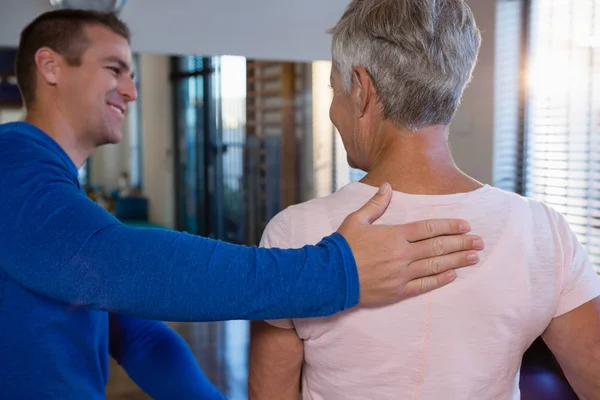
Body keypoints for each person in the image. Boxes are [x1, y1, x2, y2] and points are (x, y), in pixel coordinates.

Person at [0, 9, 485, 400]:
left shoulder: (54, 195)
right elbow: (109, 264)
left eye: (131, 73)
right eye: (114, 69)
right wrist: (336, 271)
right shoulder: (11, 163)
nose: (131, 89)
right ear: (49, 67)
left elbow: (140, 338)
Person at [248, 0, 600, 399]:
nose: (333, 108)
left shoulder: (295, 232)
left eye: (335, 88)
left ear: (361, 91)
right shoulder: (543, 232)